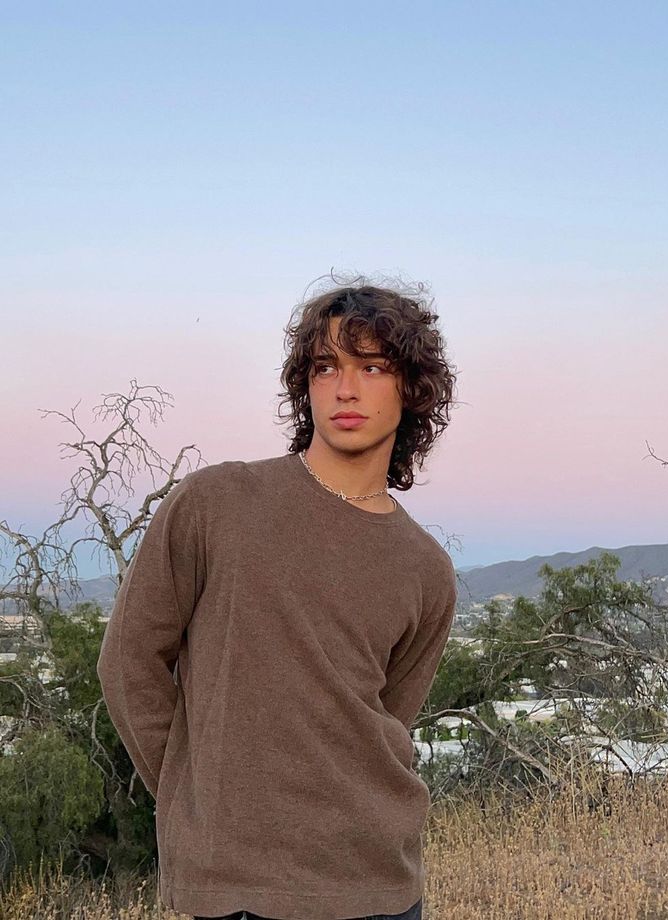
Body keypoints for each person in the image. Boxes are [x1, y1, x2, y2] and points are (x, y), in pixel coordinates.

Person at [96, 279, 458, 920]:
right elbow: (128, 664)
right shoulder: (218, 502)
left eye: (372, 366)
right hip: (239, 889)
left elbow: (388, 723)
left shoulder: (426, 568)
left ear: (411, 388)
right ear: (306, 384)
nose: (346, 388)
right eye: (327, 367)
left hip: (382, 888)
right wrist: (193, 798)